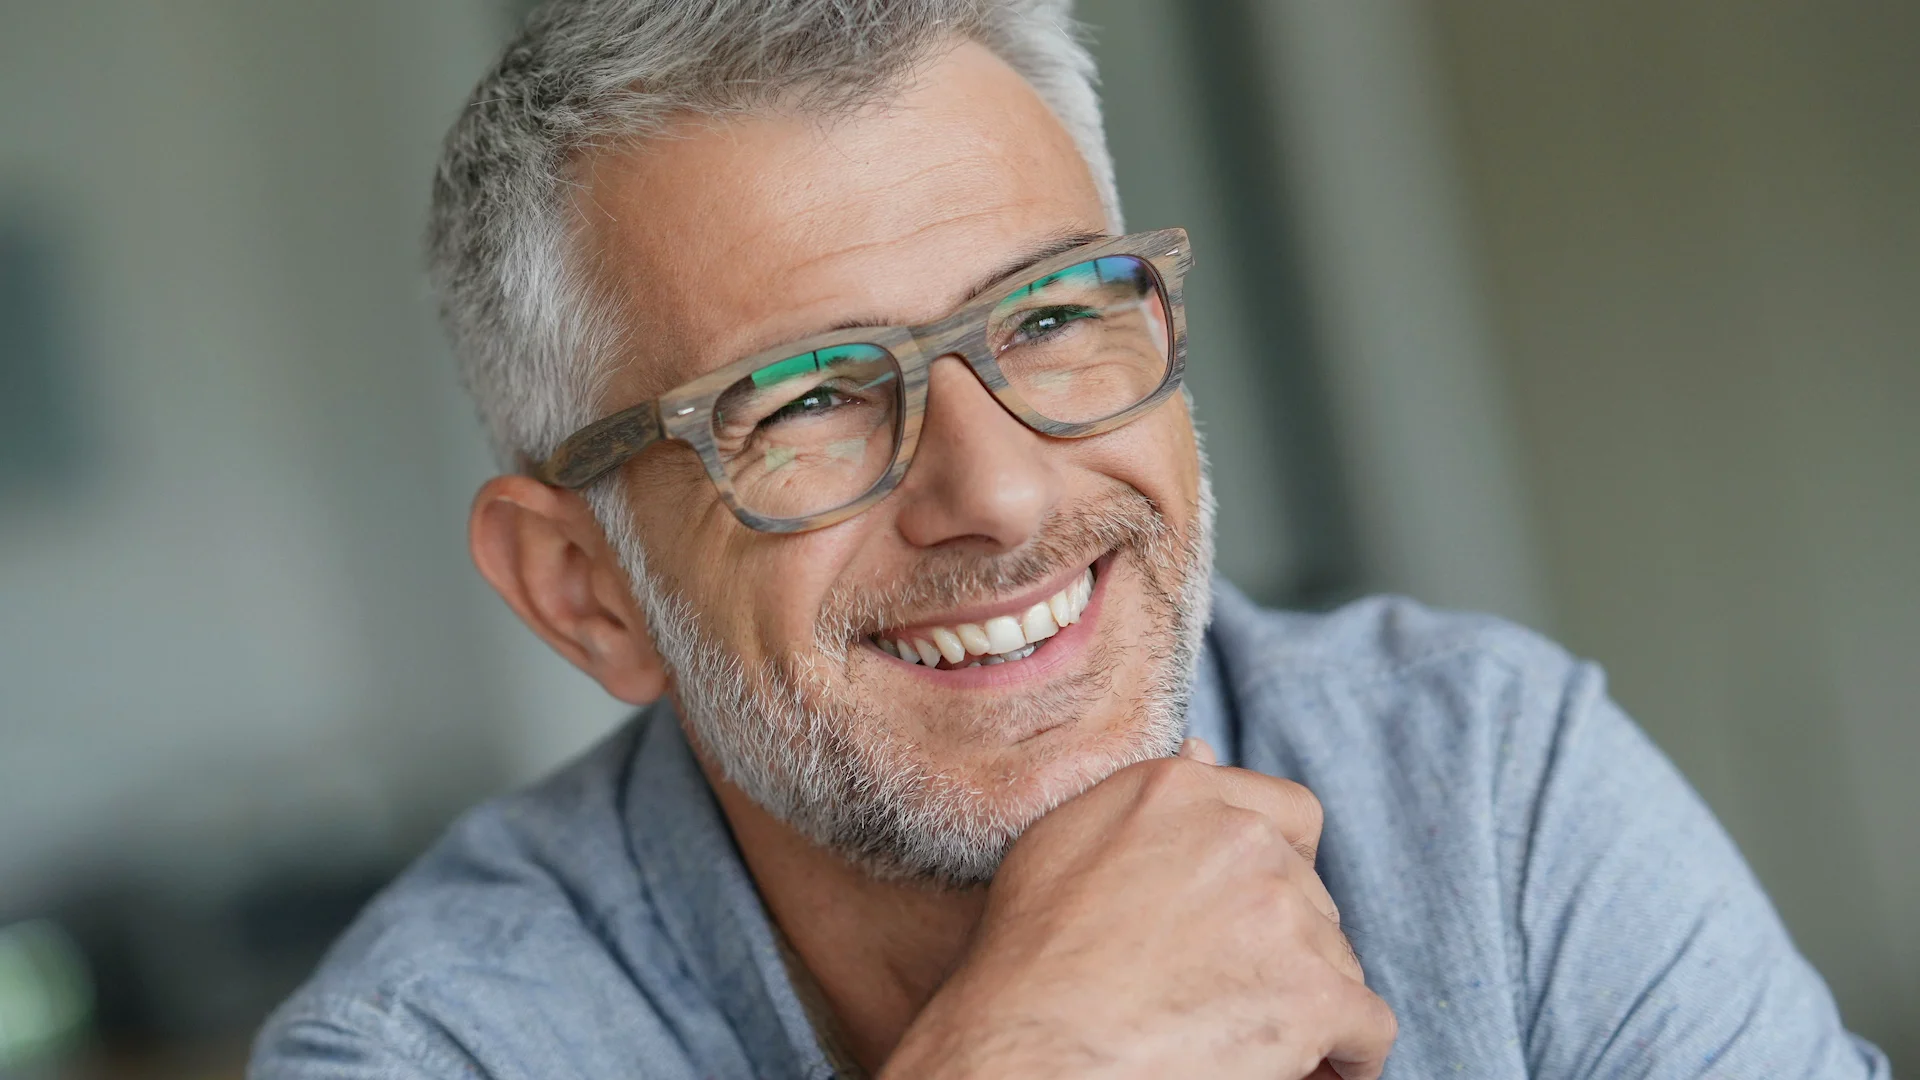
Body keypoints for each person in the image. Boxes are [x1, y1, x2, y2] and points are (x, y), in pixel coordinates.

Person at [251, 2, 1888, 1077]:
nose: (1005, 494)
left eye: (1048, 316)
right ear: (584, 591)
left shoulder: (1487, 781)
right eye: (805, 398)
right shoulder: (432, 1048)